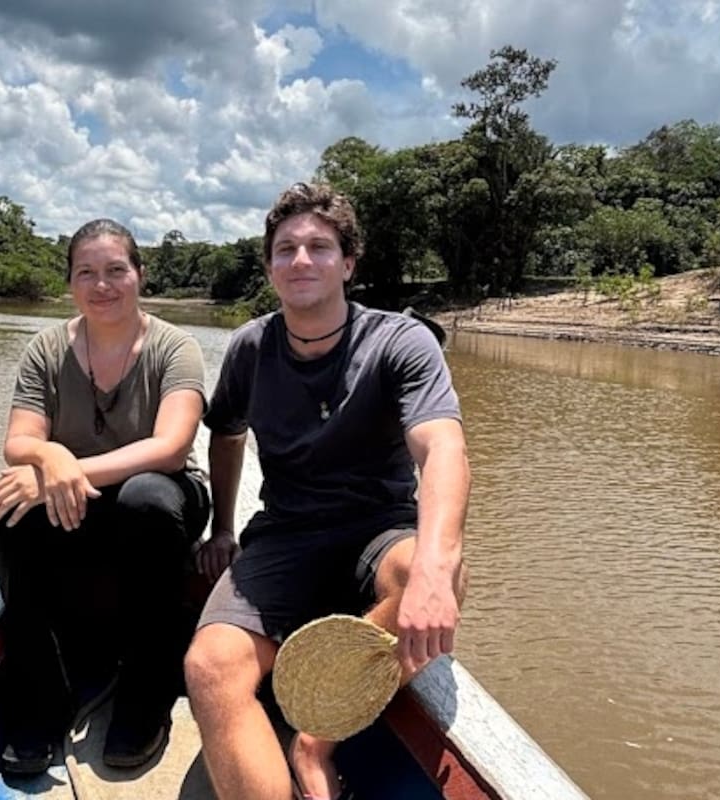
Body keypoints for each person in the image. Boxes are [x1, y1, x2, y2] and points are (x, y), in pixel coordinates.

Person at [184, 183, 471, 800]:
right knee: (210, 666)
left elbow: (442, 448)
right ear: (269, 268)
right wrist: (223, 530)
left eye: (319, 246)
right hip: (285, 532)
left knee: (439, 571)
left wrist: (433, 567)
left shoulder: (399, 341)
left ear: (348, 263)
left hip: (377, 528)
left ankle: (314, 741)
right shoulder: (251, 346)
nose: (301, 260)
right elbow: (226, 433)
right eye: (285, 249)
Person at [0, 218, 211, 776]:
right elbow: (19, 441)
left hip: (164, 497)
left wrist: (68, 466)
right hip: (80, 498)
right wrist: (50, 458)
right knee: (8, 511)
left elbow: (171, 448)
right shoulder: (46, 349)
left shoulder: (175, 348)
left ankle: (146, 698)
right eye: (86, 272)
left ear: (140, 275)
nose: (101, 285)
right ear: (69, 282)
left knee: (144, 498)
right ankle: (44, 699)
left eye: (115, 270)